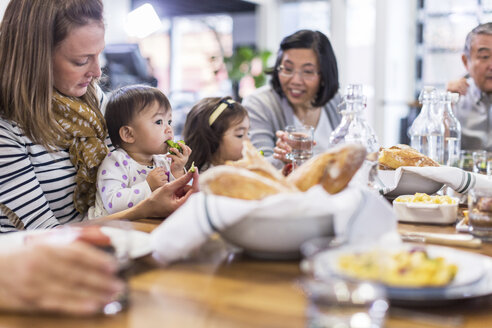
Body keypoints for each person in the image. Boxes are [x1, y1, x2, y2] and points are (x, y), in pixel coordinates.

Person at [0, 0, 198, 232]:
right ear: (35, 57)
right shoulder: (7, 130)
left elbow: (129, 167)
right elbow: (44, 235)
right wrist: (145, 208)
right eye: (82, 60)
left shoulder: (91, 98)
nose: (96, 72)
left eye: (98, 55)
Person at [242, 30, 342, 169]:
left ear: (325, 75)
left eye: (307, 71)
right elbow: (258, 165)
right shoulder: (259, 104)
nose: (295, 81)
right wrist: (282, 159)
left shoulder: (337, 101)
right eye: (288, 69)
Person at [92, 85, 191, 218]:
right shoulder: (116, 162)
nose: (169, 129)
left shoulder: (163, 161)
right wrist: (148, 186)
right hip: (109, 229)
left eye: (169, 121)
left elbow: (176, 197)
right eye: (159, 122)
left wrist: (177, 171)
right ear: (128, 134)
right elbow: (113, 205)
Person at [446, 22, 492, 151]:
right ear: (466, 61)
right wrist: (446, 106)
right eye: (485, 57)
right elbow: (435, 155)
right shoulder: (456, 98)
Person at [182, 97, 250, 172]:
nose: (248, 140)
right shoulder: (205, 179)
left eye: (248, 133)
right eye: (240, 135)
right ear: (212, 138)